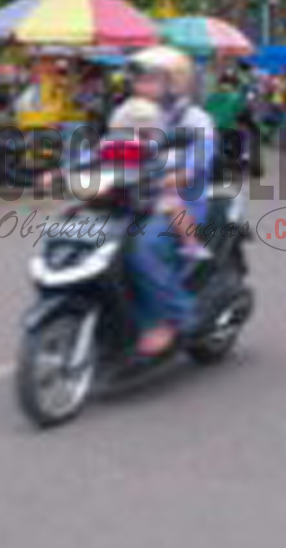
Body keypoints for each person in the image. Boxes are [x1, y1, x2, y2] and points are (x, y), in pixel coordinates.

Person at [107, 47, 215, 357]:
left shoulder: (194, 118)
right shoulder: (130, 112)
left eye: (151, 80)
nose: (142, 86)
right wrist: (64, 169)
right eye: (139, 80)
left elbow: (204, 154)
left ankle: (176, 316)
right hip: (130, 196)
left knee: (145, 247)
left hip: (181, 201)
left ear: (175, 82)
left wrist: (185, 173)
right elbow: (107, 146)